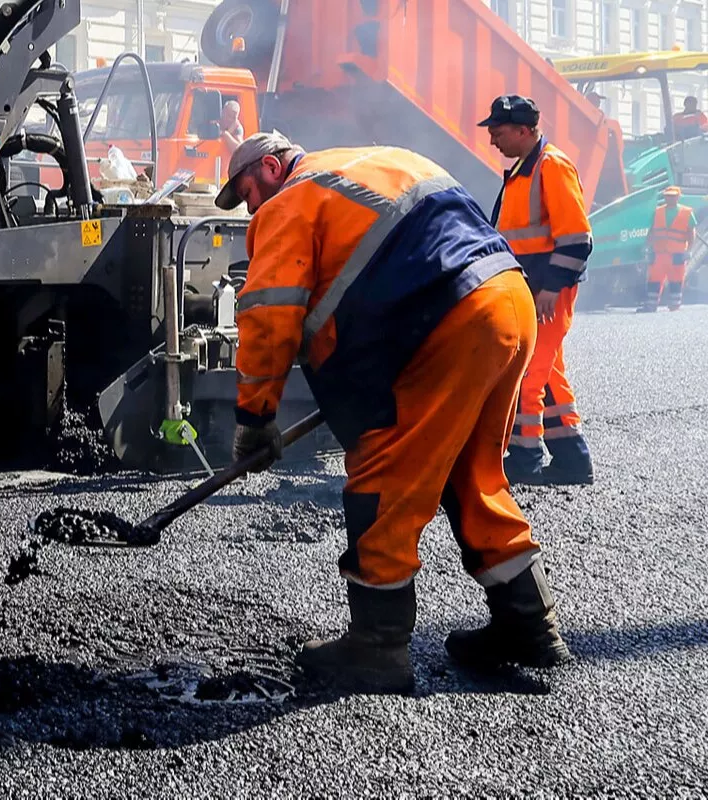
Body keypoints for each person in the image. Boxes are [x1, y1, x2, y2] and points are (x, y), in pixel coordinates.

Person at [219, 131, 575, 694]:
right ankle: (528, 623)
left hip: (443, 322)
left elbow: (270, 314)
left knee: (382, 474)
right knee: (472, 473)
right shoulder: (381, 157)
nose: (251, 208)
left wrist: (256, 416)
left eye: (247, 191)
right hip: (507, 301)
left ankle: (377, 646)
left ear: (270, 165)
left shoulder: (290, 199)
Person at [481, 95, 595, 486]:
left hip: (546, 294)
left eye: (498, 133)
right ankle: (573, 460)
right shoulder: (521, 172)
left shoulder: (551, 166)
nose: (493, 141)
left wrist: (551, 288)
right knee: (548, 377)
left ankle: (525, 457)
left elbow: (578, 238)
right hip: (531, 291)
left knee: (527, 374)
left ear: (523, 131)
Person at [643, 186, 697, 312]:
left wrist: (689, 250)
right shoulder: (658, 212)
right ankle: (651, 305)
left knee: (676, 280)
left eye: (672, 196)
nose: (670, 198)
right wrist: (647, 247)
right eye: (668, 196)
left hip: (677, 254)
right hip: (659, 253)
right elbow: (652, 231)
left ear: (678, 197)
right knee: (654, 279)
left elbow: (691, 233)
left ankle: (674, 305)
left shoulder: (686, 212)